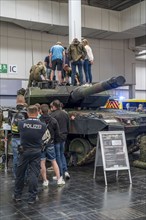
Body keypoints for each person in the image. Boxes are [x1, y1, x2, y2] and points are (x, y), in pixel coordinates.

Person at [13, 105, 50, 204]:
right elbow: (47, 138)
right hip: (36, 151)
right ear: (37, 112)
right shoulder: (43, 125)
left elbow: (17, 131)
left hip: (24, 151)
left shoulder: (21, 124)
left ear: (28, 113)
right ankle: (32, 197)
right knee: (33, 174)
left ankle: (17, 196)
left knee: (20, 174)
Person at [40, 104, 65, 187]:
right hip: (50, 144)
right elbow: (57, 133)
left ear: (40, 111)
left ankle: (45, 181)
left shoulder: (38, 121)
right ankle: (59, 180)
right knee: (54, 161)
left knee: (42, 162)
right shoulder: (53, 120)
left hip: (41, 145)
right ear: (48, 110)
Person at [50, 100, 70, 180]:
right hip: (64, 136)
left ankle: (60, 175)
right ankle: (66, 171)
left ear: (54, 106)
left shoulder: (52, 115)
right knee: (62, 154)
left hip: (56, 137)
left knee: (57, 156)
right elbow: (68, 125)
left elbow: (51, 128)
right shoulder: (65, 114)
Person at [10, 95, 28, 179]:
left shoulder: (11, 111)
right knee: (24, 158)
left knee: (15, 157)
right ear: (24, 102)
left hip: (14, 137)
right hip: (24, 138)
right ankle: (24, 176)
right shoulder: (26, 112)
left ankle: (17, 177)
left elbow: (9, 123)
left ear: (16, 101)